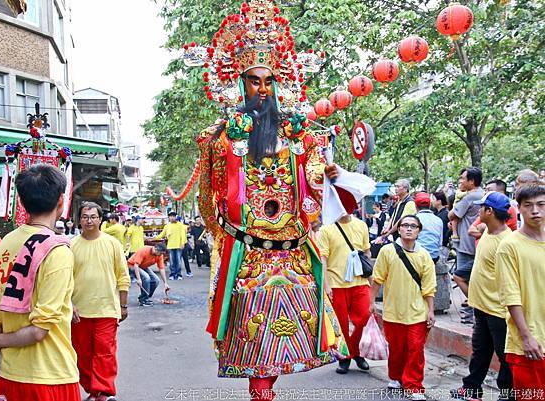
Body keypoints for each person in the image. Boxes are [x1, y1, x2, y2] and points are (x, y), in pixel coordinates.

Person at [186, 2, 349, 399]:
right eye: (253, 81)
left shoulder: (300, 136)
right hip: (250, 253)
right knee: (253, 340)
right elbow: (211, 200)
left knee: (292, 333)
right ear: (239, 85)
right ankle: (261, 393)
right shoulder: (223, 138)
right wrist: (224, 232)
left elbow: (312, 183)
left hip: (291, 253)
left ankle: (265, 392)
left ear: (277, 85)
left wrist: (324, 175)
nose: (262, 89)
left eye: (268, 82)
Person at [0, 164, 80, 401]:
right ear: (61, 201)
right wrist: (1, 340)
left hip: (9, 378)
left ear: (22, 204)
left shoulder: (4, 245)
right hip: (52, 378)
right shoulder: (58, 251)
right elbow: (39, 330)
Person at [450, 192, 514, 401]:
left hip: (498, 311)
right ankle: (472, 389)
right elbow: (475, 230)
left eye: (482, 208)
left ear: (490, 211)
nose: (478, 211)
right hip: (482, 307)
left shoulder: (507, 243)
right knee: (480, 351)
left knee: (505, 357)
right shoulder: (488, 231)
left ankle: (507, 394)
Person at [370, 215, 436, 401]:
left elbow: (429, 286)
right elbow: (377, 279)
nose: (408, 229)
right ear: (398, 229)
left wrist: (430, 310)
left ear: (418, 231)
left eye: (413, 226)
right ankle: (396, 376)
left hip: (417, 312)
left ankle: (414, 385)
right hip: (393, 311)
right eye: (405, 225)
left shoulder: (424, 256)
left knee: (416, 349)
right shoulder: (387, 251)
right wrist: (371, 301)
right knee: (397, 348)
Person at [70, 202, 130, 401]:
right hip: (79, 311)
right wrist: (69, 305)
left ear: (100, 219)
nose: (89, 220)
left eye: (93, 216)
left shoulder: (113, 244)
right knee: (81, 355)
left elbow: (123, 276)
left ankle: (104, 392)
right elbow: (64, 279)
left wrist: (123, 305)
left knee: (105, 353)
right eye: (85, 216)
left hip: (107, 309)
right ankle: (93, 391)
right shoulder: (70, 246)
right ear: (79, 220)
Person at [496, 185, 545, 401]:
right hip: (530, 342)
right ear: (519, 209)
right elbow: (510, 295)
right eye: (529, 205)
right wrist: (526, 336)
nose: (535, 210)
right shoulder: (509, 246)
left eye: (541, 204)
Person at [317, 213, 372, 375]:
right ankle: (345, 357)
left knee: (364, 318)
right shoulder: (326, 229)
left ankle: (354, 351)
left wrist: (369, 275)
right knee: (340, 325)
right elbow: (323, 260)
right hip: (336, 284)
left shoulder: (361, 225)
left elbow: (367, 252)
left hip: (360, 282)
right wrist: (326, 285)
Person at [449, 167, 484, 324]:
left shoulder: (470, 197)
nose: (460, 181)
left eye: (463, 178)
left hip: (467, 245)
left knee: (461, 276)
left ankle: (474, 308)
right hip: (475, 244)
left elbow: (452, 215)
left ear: (472, 181)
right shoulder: (482, 195)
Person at [154, 212, 186, 281]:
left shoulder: (180, 225)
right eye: (170, 216)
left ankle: (178, 274)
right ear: (169, 217)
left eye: (173, 216)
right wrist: (154, 238)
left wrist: (182, 243)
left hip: (178, 245)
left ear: (175, 217)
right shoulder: (167, 226)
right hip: (170, 246)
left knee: (178, 261)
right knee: (172, 261)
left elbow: (183, 235)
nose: (172, 218)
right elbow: (162, 234)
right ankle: (172, 274)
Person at [415, 192, 443, 265]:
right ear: (430, 205)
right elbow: (440, 243)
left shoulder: (414, 220)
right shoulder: (438, 220)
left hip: (418, 257)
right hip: (434, 257)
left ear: (416, 206)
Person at [432, 191, 451, 260]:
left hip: (442, 246)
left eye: (433, 199)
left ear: (439, 201)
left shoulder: (444, 214)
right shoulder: (436, 213)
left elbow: (444, 231)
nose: (432, 201)